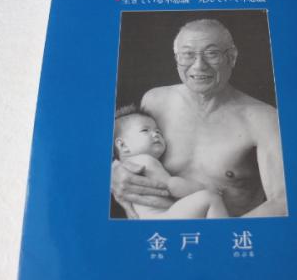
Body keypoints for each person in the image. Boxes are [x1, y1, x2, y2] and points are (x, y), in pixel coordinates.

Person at [111, 18, 287, 218]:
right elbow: (126, 148)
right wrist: (113, 171)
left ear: (232, 57)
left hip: (227, 232)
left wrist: (221, 234)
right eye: (188, 54)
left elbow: (283, 201)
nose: (199, 66)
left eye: (212, 54)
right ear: (177, 59)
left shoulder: (264, 118)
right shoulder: (155, 100)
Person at [113, 104, 228, 219]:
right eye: (145, 130)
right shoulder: (144, 160)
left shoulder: (126, 166)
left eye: (158, 132)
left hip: (148, 219)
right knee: (210, 198)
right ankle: (221, 230)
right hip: (161, 217)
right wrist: (205, 187)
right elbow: (171, 186)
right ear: (123, 145)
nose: (155, 134)